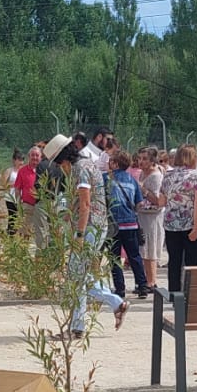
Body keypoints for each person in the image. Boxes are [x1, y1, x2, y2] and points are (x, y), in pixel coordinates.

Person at [69, 139, 128, 331]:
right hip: (96, 226)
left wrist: (79, 234)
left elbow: (85, 204)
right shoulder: (87, 164)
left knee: (78, 275)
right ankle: (115, 302)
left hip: (90, 228)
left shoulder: (80, 169)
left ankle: (77, 326)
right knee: (81, 275)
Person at [159, 143, 197, 297]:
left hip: (171, 223)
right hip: (190, 223)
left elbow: (161, 202)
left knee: (174, 261)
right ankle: (191, 294)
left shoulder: (168, 175)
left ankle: (174, 295)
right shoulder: (196, 176)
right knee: (192, 261)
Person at [103, 147, 150, 296]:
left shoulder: (106, 178)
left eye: (111, 161)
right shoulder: (132, 180)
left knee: (115, 257)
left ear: (115, 163)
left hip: (113, 224)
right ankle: (142, 286)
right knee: (134, 255)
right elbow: (139, 203)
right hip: (130, 223)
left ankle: (120, 289)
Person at [133, 145, 165, 287]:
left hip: (152, 217)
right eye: (139, 158)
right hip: (142, 215)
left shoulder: (156, 176)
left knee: (150, 247)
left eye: (145, 159)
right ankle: (147, 279)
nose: (141, 162)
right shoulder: (142, 173)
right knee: (144, 248)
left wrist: (143, 189)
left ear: (152, 160)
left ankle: (152, 281)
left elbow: (157, 200)